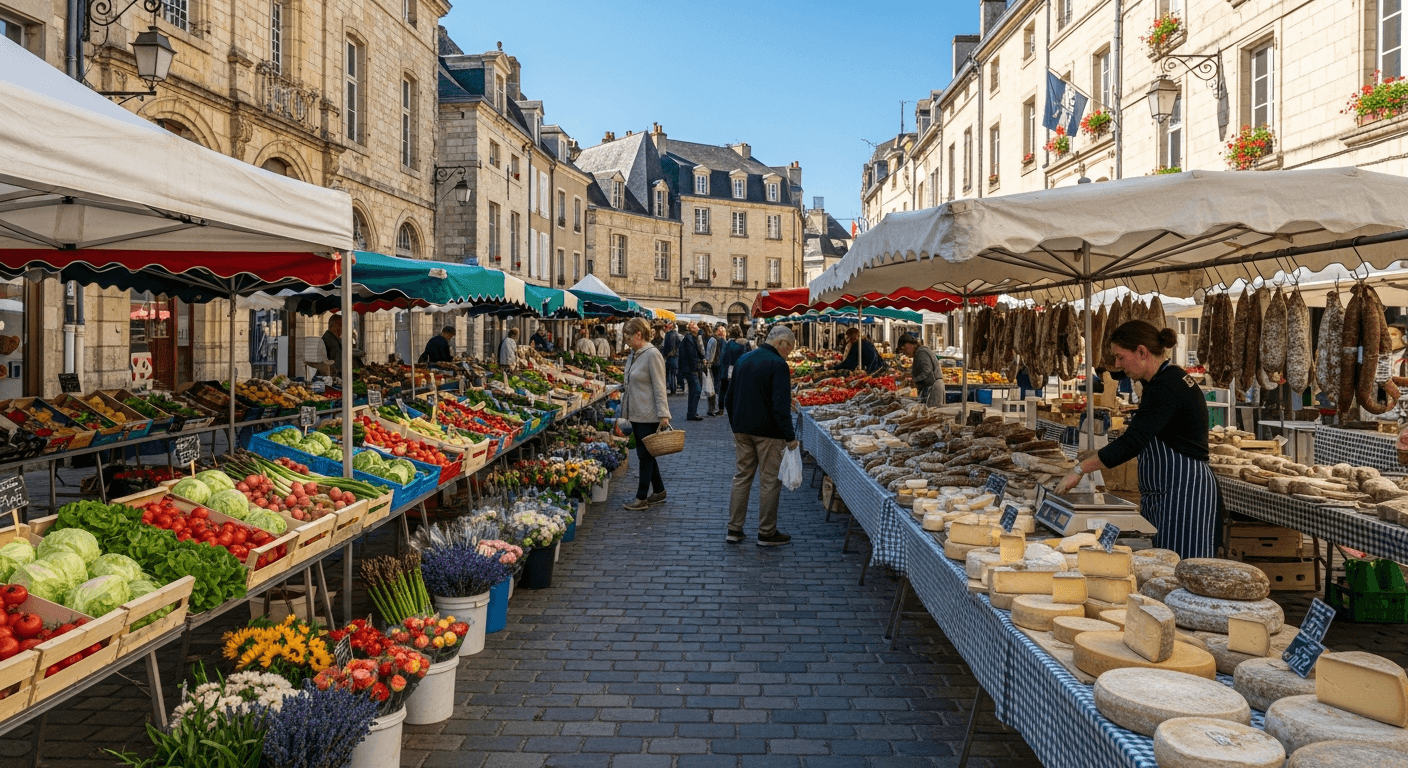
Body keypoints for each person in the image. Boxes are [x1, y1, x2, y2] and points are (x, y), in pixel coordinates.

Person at [1056, 321, 1217, 559]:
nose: (1118, 365)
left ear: (1142, 352)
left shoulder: (1167, 386)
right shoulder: (1159, 382)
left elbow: (1134, 442)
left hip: (1184, 493)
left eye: (1121, 357)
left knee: (1179, 567)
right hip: (1166, 493)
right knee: (1162, 562)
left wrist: (1079, 470)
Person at [725, 325, 798, 547]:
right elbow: (779, 407)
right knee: (769, 482)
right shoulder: (778, 364)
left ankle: (734, 529)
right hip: (769, 433)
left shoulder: (744, 360)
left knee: (742, 477)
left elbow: (729, 398)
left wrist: (736, 425)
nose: (789, 353)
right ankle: (766, 532)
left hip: (742, 429)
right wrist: (790, 437)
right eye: (790, 349)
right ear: (781, 343)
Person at [617, 317, 671, 511]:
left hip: (648, 414)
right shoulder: (635, 354)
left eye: (629, 338)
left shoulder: (652, 355)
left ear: (639, 335)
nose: (627, 342)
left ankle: (641, 498)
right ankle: (659, 490)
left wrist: (664, 414)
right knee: (647, 453)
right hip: (636, 412)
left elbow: (659, 386)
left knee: (644, 456)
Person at [897, 333, 944, 407]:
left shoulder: (921, 352)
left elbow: (926, 371)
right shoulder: (919, 352)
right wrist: (909, 374)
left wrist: (914, 380)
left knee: (931, 413)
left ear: (909, 344)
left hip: (933, 389)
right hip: (930, 388)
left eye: (904, 349)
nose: (905, 353)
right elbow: (921, 369)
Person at [719, 325, 748, 414]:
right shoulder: (744, 344)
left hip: (727, 370)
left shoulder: (728, 344)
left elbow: (723, 358)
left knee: (723, 390)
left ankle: (721, 408)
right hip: (740, 370)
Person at [678, 322, 705, 420]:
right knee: (696, 390)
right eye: (692, 327)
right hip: (691, 369)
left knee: (694, 391)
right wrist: (697, 365)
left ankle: (692, 413)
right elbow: (692, 355)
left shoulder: (696, 337)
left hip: (692, 368)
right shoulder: (689, 339)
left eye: (695, 326)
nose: (695, 328)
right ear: (690, 329)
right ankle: (692, 413)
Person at [705, 325, 726, 416]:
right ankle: (716, 407)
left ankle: (712, 408)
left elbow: (709, 352)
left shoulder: (712, 339)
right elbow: (724, 354)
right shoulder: (723, 341)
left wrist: (709, 362)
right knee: (717, 387)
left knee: (712, 386)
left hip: (713, 365)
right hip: (720, 365)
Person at [662, 324, 682, 394]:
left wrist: (664, 354)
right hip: (676, 356)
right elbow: (680, 346)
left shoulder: (667, 335)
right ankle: (674, 388)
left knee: (669, 373)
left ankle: (671, 388)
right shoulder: (678, 335)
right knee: (674, 373)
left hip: (669, 356)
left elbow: (665, 346)